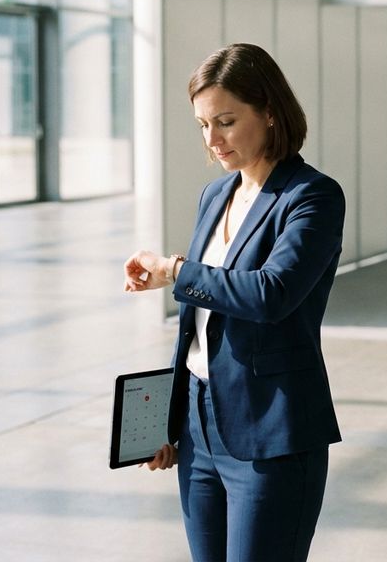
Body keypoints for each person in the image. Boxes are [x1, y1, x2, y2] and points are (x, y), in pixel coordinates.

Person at [123, 42, 344, 562]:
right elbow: (197, 325)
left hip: (271, 432)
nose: (212, 139)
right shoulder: (215, 195)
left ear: (269, 112)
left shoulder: (311, 196)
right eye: (203, 125)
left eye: (225, 122)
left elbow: (271, 293)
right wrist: (167, 420)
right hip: (199, 427)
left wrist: (176, 271)